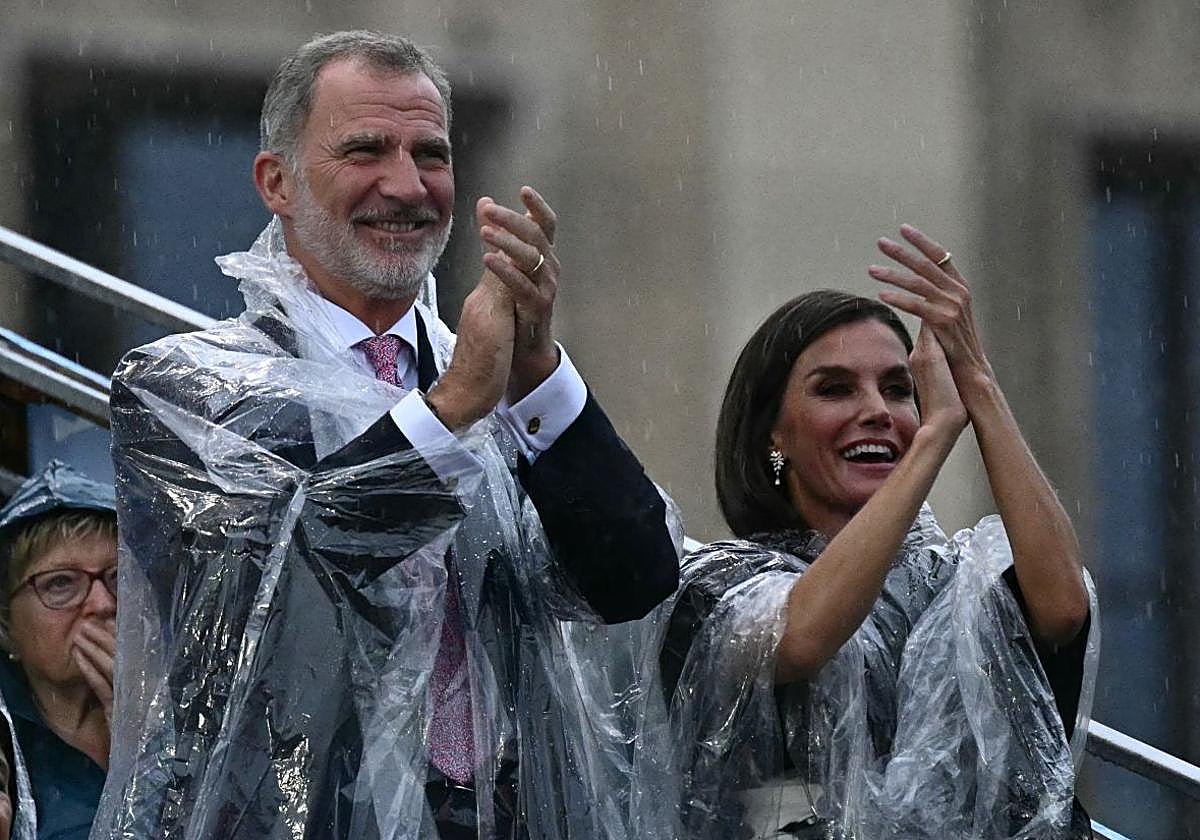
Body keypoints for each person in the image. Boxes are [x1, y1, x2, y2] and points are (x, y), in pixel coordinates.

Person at [93, 30, 680, 840]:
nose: (405, 186)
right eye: (365, 149)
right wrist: (454, 407)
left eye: (430, 155)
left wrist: (539, 370)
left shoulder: (497, 373)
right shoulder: (184, 388)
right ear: (278, 182)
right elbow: (289, 587)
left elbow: (637, 578)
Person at [659, 227, 1098, 839]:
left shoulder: (957, 578)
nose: (878, 410)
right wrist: (936, 435)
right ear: (772, 435)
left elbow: (1061, 606)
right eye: (836, 389)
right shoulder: (715, 584)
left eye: (899, 390)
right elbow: (801, 637)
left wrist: (975, 381)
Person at [0, 460, 116, 840]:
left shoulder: (199, 715)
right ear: (6, 628)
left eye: (119, 577)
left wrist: (148, 747)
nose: (102, 603)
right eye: (61, 583)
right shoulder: (8, 748)